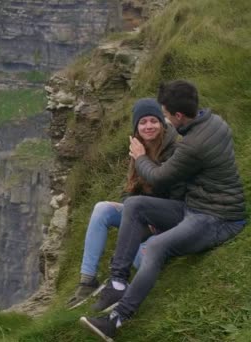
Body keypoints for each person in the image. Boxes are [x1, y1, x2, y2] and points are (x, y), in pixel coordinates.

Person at [81, 80, 246, 342]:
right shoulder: (215, 121)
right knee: (134, 205)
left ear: (178, 116)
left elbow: (158, 177)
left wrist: (139, 156)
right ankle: (117, 283)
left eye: (166, 115)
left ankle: (116, 319)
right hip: (195, 206)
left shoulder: (191, 146)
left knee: (156, 247)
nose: (165, 120)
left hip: (218, 218)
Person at [66, 98, 184, 309]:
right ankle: (87, 281)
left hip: (169, 219)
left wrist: (142, 161)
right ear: (137, 126)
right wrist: (126, 203)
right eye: (143, 122)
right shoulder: (139, 145)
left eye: (153, 121)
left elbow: (176, 193)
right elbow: (129, 188)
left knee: (141, 258)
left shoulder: (176, 149)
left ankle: (122, 286)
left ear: (162, 123)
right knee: (102, 209)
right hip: (141, 214)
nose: (148, 126)